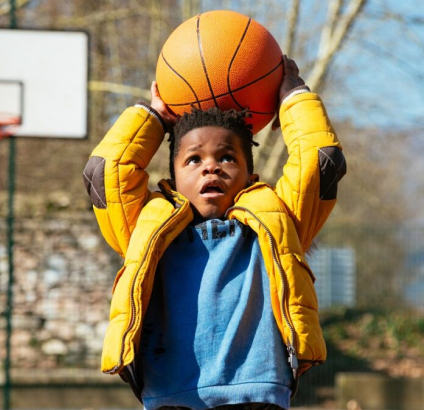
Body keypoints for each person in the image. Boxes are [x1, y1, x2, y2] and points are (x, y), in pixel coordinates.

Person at [82, 56, 346, 410]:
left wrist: (293, 96)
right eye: (193, 159)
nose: (210, 166)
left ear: (250, 178)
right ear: (173, 180)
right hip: (170, 399)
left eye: (227, 157)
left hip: (257, 397)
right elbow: (106, 173)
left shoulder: (276, 221)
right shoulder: (147, 228)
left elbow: (321, 161)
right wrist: (153, 116)